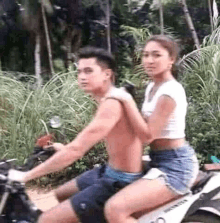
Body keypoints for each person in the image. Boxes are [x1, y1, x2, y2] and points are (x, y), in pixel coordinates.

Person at [8, 46, 144, 223]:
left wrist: (26, 176)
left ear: (107, 74)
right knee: (61, 193)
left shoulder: (112, 104)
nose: (82, 76)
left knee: (45, 220)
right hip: (109, 171)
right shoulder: (107, 99)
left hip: (120, 181)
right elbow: (91, 140)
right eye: (79, 71)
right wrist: (62, 148)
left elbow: (76, 150)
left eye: (89, 71)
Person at [104, 35, 199, 223]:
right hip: (158, 159)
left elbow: (148, 135)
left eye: (156, 55)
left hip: (176, 166)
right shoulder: (152, 87)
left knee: (115, 209)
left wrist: (127, 100)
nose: (149, 60)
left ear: (171, 59)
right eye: (146, 55)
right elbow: (140, 123)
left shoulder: (170, 91)